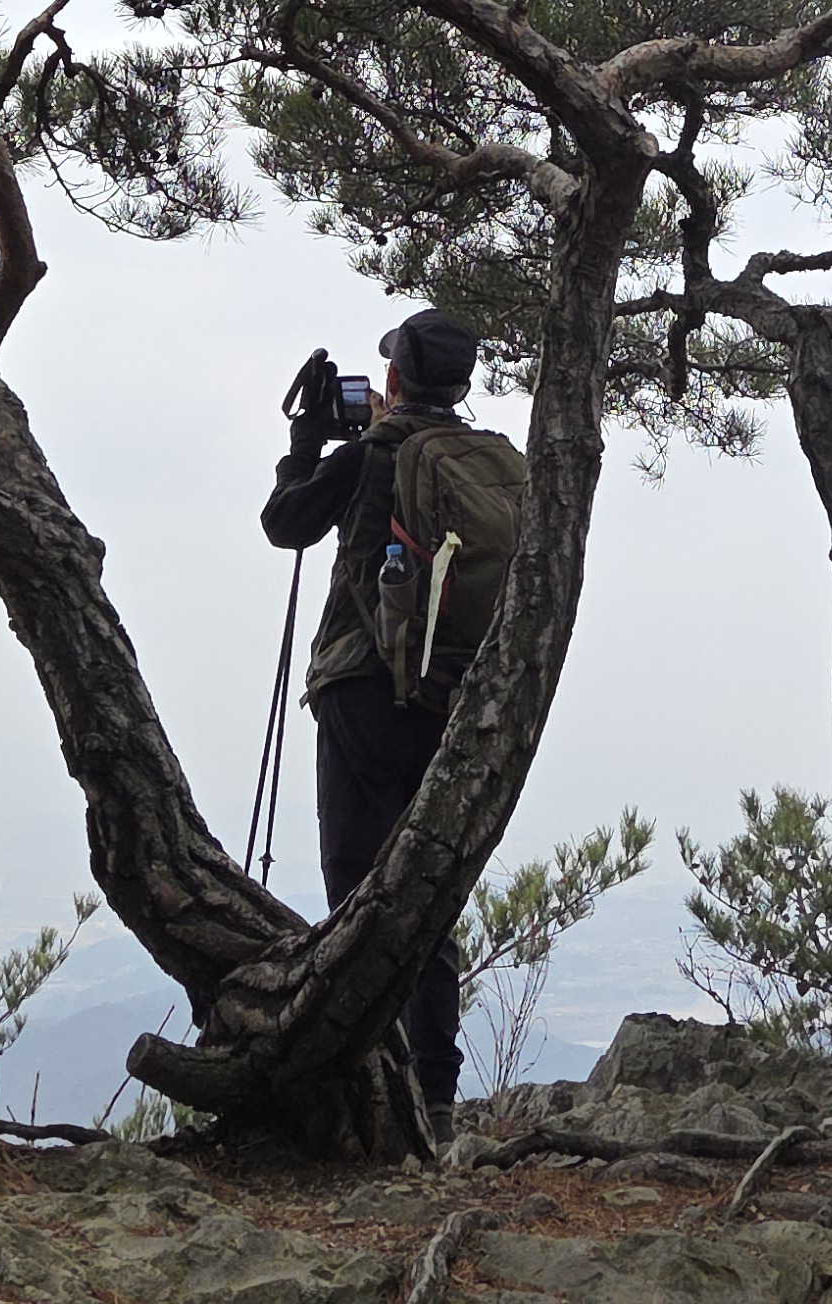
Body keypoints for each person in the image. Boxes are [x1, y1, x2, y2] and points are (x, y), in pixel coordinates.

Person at [260, 309, 507, 1126]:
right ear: (461, 384)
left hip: (362, 689)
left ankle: (367, 1086)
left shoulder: (372, 455)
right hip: (450, 700)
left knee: (359, 888)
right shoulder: (486, 464)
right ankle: (435, 1091)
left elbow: (285, 523)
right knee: (423, 892)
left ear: (395, 378)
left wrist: (305, 446)